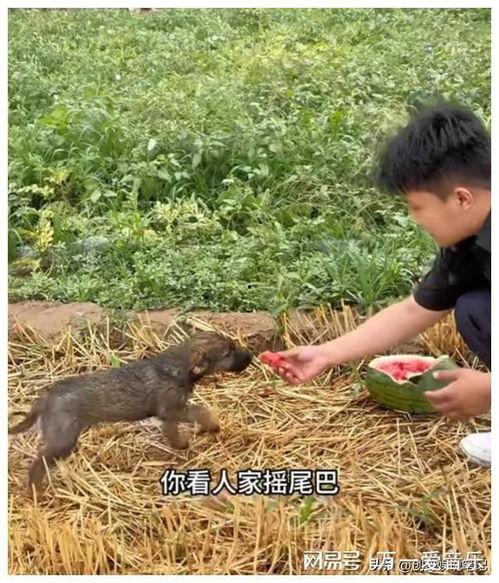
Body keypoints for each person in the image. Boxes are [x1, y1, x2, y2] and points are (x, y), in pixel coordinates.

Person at [269, 102, 491, 466]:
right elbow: (414, 310)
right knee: (477, 310)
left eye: (416, 206)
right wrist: (325, 354)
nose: (414, 218)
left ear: (461, 198)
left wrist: (489, 390)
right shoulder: (468, 240)